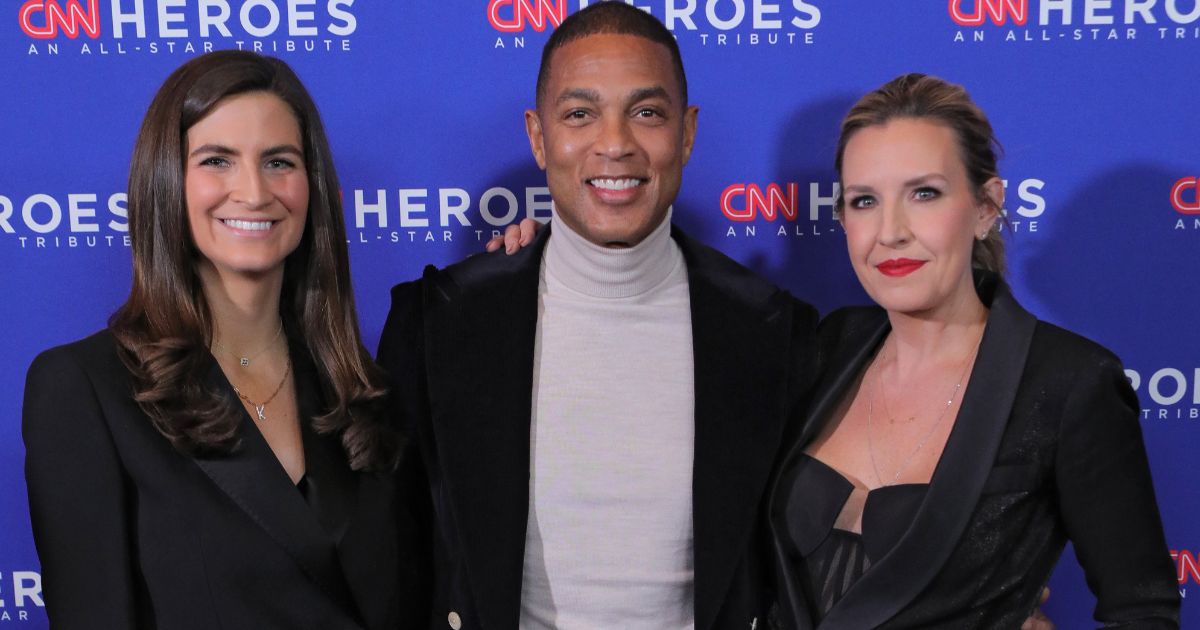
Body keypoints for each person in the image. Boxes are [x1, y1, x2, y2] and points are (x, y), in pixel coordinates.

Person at [377, 4, 818, 629]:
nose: (615, 144)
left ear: (687, 133)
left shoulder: (774, 333)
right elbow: (398, 561)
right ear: (537, 136)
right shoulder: (437, 324)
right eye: (580, 114)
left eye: (647, 113)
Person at [22, 51, 425, 630]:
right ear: (166, 181)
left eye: (279, 162)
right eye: (217, 160)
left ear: (311, 188)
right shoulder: (86, 390)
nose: (254, 192)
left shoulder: (365, 390)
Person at [766, 74, 1180, 629]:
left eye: (924, 194)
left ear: (985, 206)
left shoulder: (1068, 382)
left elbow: (1143, 609)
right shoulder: (826, 348)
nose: (890, 231)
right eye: (865, 201)